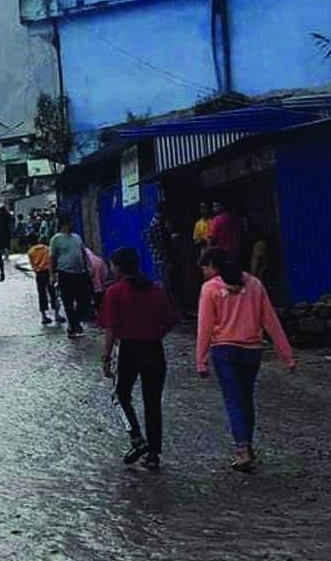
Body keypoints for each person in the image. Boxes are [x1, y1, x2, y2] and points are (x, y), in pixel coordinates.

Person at [196, 248, 295, 472]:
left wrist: (201, 360)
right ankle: (247, 445)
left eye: (204, 267)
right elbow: (270, 321)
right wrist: (286, 356)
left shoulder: (210, 288)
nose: (203, 272)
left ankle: (243, 450)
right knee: (246, 398)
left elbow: (205, 326)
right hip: (252, 351)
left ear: (213, 265)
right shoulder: (255, 284)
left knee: (233, 399)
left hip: (224, 351)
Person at [98, 247, 179, 471]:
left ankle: (136, 437)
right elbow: (172, 319)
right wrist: (156, 335)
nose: (111, 269)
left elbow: (111, 329)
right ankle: (153, 454)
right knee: (152, 402)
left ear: (120, 268)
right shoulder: (154, 289)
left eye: (112, 265)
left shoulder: (115, 292)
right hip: (154, 350)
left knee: (120, 395)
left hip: (129, 350)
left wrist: (105, 358)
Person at [50, 216, 90, 337]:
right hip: (65, 273)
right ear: (64, 224)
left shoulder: (77, 238)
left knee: (84, 300)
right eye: (70, 222)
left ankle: (75, 321)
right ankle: (73, 326)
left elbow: (83, 253)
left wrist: (88, 266)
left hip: (80, 272)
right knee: (68, 301)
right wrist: (52, 274)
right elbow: (52, 257)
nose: (72, 224)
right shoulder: (56, 239)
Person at [146, 202, 181, 314]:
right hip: (163, 259)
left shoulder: (155, 223)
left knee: (165, 285)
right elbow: (162, 244)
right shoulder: (158, 225)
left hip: (159, 259)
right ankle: (169, 312)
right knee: (166, 286)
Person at [28, 235, 64, 325]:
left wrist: (36, 269)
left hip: (39, 274)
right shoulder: (47, 249)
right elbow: (52, 261)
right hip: (48, 272)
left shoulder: (31, 252)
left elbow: (32, 265)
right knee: (53, 293)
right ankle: (56, 314)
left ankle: (44, 316)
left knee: (41, 294)